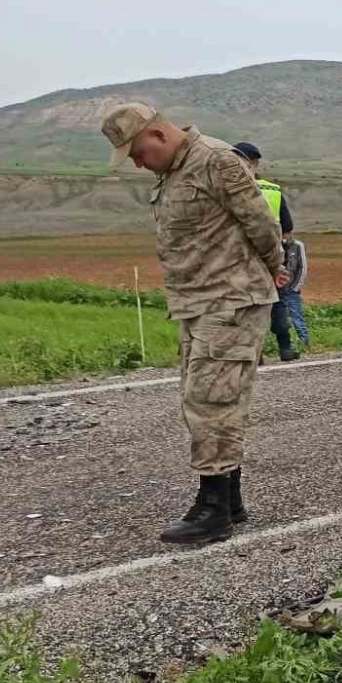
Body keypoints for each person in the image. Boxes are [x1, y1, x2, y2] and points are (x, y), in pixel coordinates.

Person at [101, 103, 287, 544]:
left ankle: (213, 510)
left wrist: (264, 273)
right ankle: (230, 498)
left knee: (210, 401)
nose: (136, 162)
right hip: (198, 303)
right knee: (207, 399)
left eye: (137, 152)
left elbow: (264, 228)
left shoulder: (217, 161)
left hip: (231, 299)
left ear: (159, 135)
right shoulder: (175, 172)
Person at [232, 142, 300, 361]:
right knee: (277, 300)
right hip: (272, 254)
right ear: (255, 162)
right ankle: (285, 348)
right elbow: (287, 229)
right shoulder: (273, 190)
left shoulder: (229, 187)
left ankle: (255, 352)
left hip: (239, 256)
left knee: (246, 304)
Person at [280, 227, 309, 346]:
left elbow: (302, 268)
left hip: (291, 290)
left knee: (297, 318)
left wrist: (295, 287)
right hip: (278, 290)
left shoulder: (298, 246)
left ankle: (304, 343)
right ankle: (285, 345)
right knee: (280, 320)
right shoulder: (275, 246)